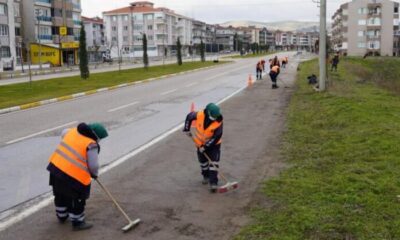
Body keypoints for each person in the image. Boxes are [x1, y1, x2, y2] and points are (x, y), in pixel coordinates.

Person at [47, 122, 109, 231]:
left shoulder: (72, 131)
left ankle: (61, 216)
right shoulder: (91, 144)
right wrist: (94, 174)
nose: (100, 141)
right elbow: (93, 165)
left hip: (55, 168)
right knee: (76, 199)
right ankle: (78, 222)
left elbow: (63, 133)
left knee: (60, 194)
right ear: (96, 136)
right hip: (73, 176)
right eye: (100, 138)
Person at [183, 103, 223, 193]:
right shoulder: (200, 114)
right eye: (213, 116)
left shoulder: (218, 121)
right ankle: (206, 176)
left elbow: (216, 136)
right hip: (199, 143)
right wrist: (186, 128)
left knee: (213, 163)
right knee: (203, 162)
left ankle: (213, 183)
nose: (214, 118)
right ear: (208, 113)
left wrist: (205, 147)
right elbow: (189, 116)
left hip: (214, 145)